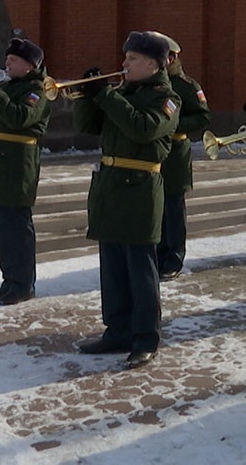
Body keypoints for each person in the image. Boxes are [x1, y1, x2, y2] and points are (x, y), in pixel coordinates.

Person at [73, 32, 181, 369]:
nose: (124, 64)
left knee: (140, 269)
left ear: (152, 64)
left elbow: (143, 129)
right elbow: (88, 125)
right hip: (110, 186)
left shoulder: (167, 98)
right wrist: (87, 95)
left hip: (140, 187)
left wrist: (106, 95)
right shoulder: (123, 93)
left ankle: (146, 337)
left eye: (132, 59)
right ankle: (117, 330)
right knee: (113, 267)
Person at [0, 37, 51, 306]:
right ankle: (9, 279)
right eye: (7, 59)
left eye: (13, 60)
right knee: (2, 227)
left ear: (29, 66)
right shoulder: (8, 86)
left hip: (17, 166)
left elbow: (18, 118)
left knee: (17, 228)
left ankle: (24, 283)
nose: (7, 63)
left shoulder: (36, 90)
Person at [151, 32, 210, 281]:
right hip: (152, 152)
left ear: (173, 58)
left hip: (175, 153)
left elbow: (202, 117)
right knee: (155, 206)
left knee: (174, 208)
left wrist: (172, 125)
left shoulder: (187, 86)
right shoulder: (150, 84)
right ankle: (156, 253)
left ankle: (174, 257)